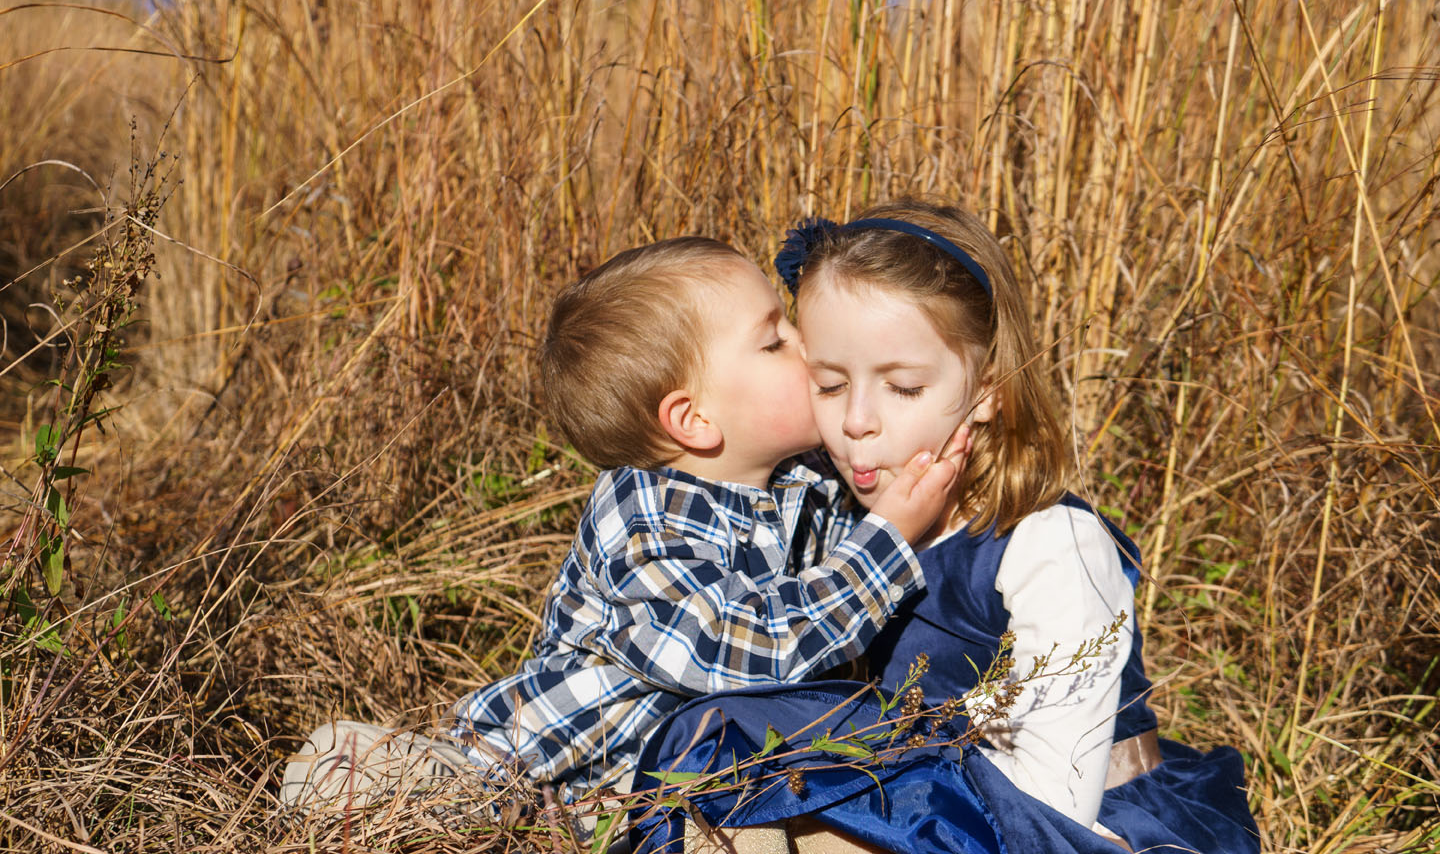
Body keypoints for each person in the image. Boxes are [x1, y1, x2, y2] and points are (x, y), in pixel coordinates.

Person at [630, 201, 1260, 854]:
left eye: (902, 388)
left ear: (987, 389)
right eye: (829, 384)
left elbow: (1052, 800)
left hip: (1066, 818)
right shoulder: (845, 521)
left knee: (822, 809)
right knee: (727, 763)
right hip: (919, 791)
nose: (857, 421)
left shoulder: (1052, 544)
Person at [279, 236, 967, 816]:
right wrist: (886, 540)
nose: (804, 344)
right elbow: (736, 651)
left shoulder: (806, 480)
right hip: (534, 774)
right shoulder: (645, 514)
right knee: (371, 783)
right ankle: (369, 768)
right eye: (773, 340)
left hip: (664, 789)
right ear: (694, 420)